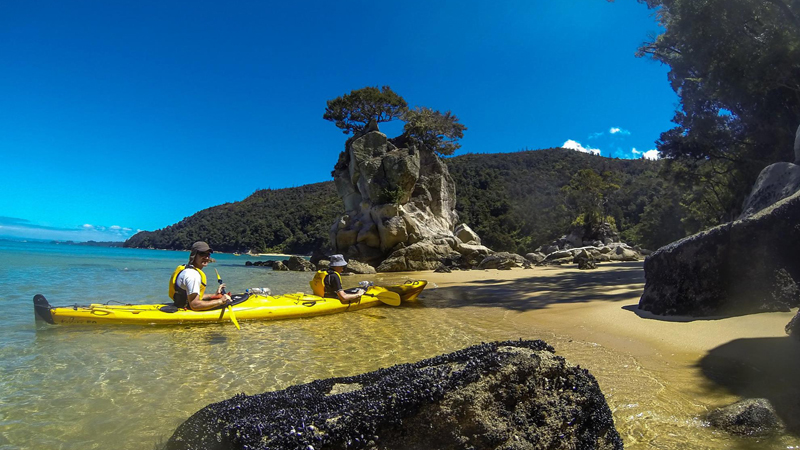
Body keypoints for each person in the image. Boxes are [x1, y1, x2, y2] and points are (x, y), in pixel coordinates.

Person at [168, 241, 231, 311]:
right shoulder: (192, 275)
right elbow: (194, 305)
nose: (206, 257)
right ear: (194, 255)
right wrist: (221, 301)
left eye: (208, 254)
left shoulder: (188, 270)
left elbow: (193, 296)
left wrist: (215, 295)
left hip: (180, 304)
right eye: (202, 254)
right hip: (186, 309)